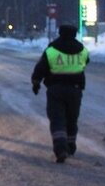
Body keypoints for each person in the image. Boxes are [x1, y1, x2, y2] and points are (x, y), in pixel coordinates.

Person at [31, 23, 89, 163]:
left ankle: (60, 148)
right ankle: (70, 145)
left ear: (60, 33)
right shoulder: (82, 49)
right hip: (75, 89)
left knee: (57, 120)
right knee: (71, 119)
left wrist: (36, 82)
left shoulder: (52, 49)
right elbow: (86, 61)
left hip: (55, 89)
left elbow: (41, 68)